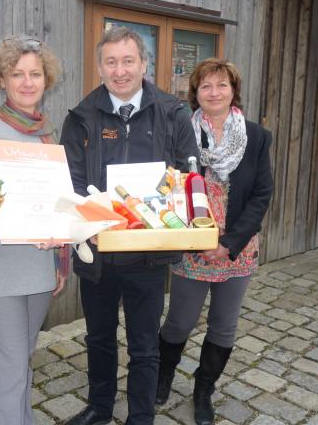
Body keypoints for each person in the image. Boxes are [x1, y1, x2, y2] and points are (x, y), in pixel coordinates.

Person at [60, 26, 199, 425]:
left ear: (143, 64)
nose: (119, 71)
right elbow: (70, 183)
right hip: (98, 253)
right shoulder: (81, 117)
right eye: (111, 62)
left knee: (143, 345)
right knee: (99, 338)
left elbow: (190, 175)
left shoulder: (173, 113)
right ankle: (100, 407)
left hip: (148, 256)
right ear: (100, 66)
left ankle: (141, 416)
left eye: (128, 61)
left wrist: (170, 195)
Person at [155, 58, 273, 425]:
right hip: (192, 245)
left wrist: (228, 242)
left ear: (233, 90)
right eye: (206, 86)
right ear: (196, 93)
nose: (214, 92)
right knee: (179, 322)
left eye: (222, 85)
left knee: (224, 325)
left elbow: (261, 194)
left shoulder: (255, 137)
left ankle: (203, 391)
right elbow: (167, 186)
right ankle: (162, 377)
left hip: (237, 249)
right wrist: (193, 236)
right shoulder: (181, 132)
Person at [0, 35, 68, 425]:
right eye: (18, 74)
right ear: (3, 79)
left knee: (22, 361)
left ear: (46, 80)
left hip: (41, 268)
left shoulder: (47, 134)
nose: (27, 82)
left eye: (35, 74)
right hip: (3, 272)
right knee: (11, 367)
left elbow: (58, 201)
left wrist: (62, 241)